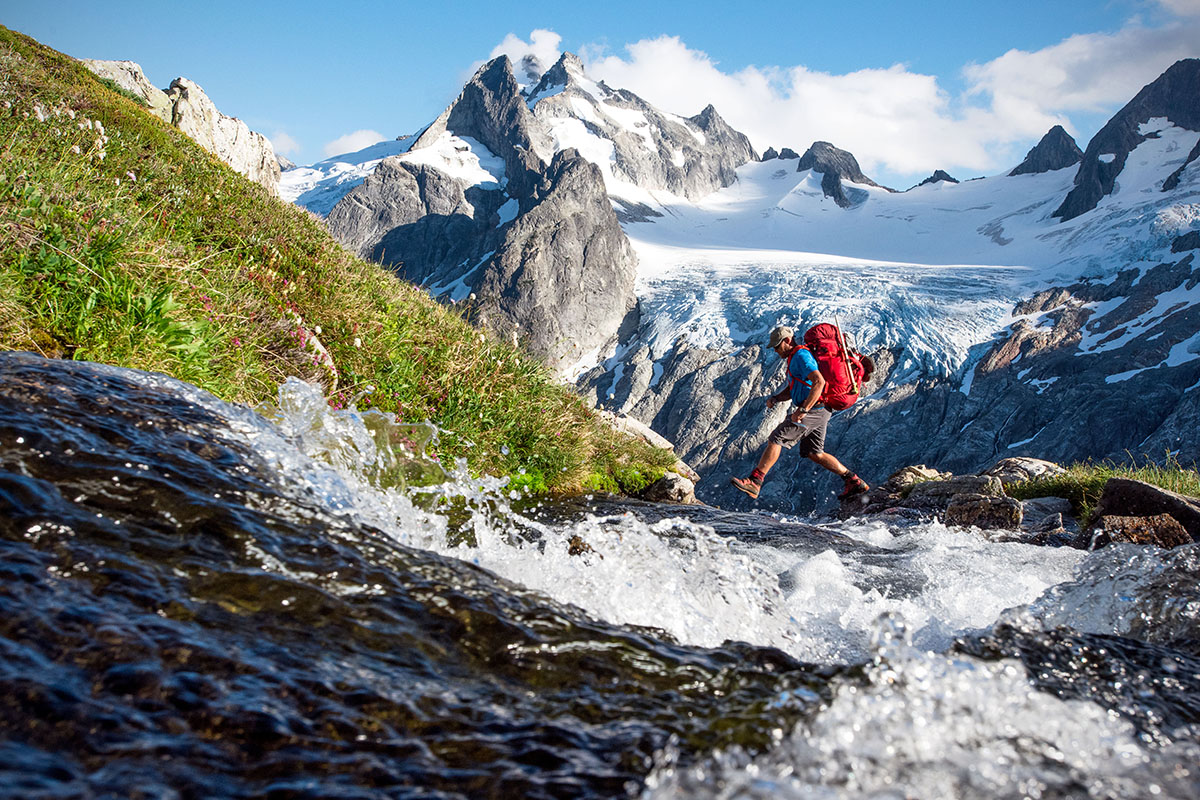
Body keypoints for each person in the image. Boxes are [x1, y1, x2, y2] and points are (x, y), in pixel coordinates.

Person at [731, 325, 870, 501]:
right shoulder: (795, 357)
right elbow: (796, 386)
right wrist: (776, 398)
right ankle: (853, 481)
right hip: (822, 410)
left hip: (814, 409)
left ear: (787, 341)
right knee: (814, 452)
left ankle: (755, 481)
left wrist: (803, 410)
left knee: (777, 437)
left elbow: (818, 382)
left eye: (776, 346)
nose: (775, 350)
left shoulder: (800, 356)